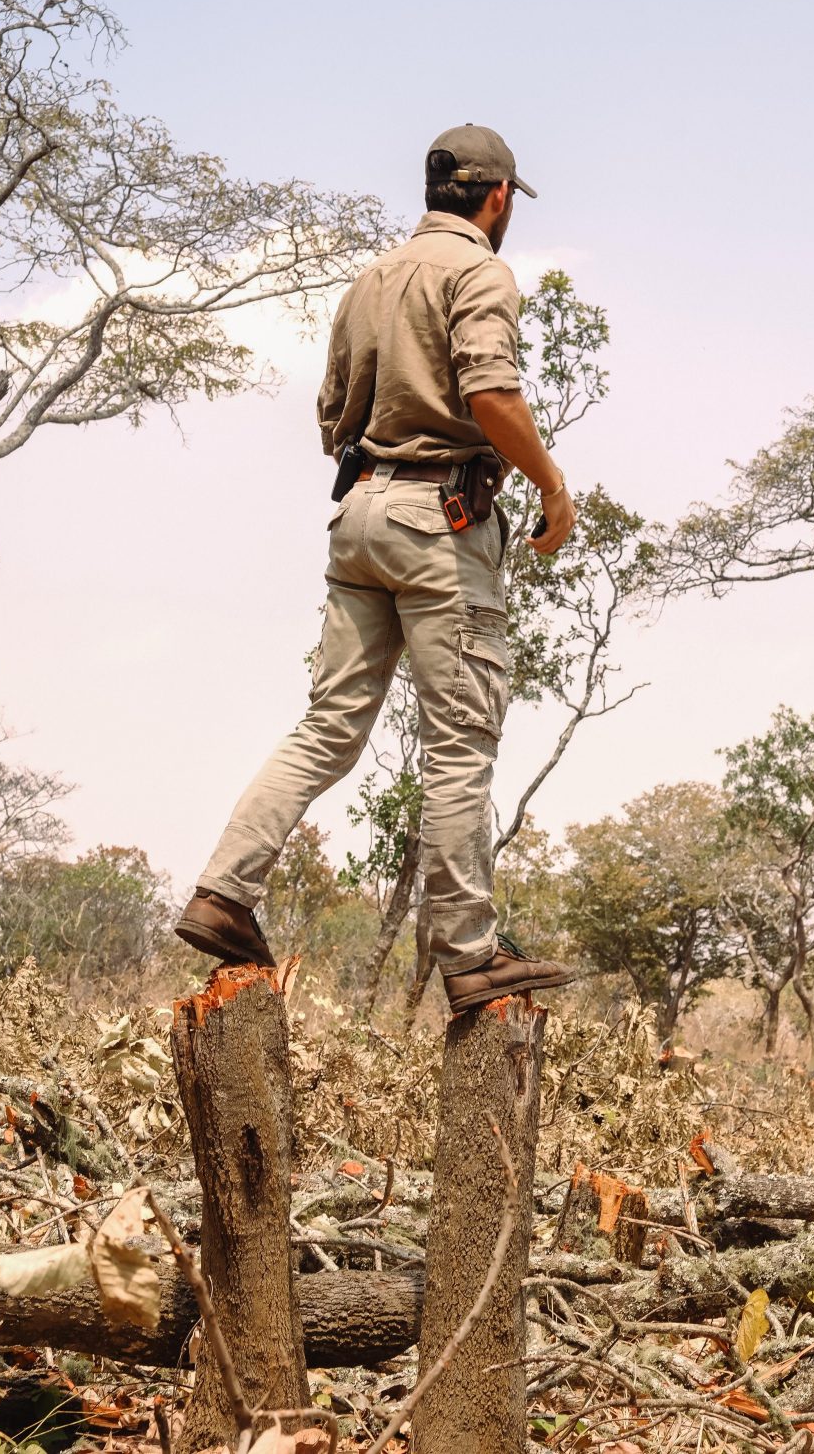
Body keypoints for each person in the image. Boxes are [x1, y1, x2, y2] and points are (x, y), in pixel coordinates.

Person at [175, 124, 577, 1014]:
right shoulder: (482, 272)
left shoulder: (372, 279)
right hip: (440, 519)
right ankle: (470, 954)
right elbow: (490, 394)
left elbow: (331, 416)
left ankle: (222, 892)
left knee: (328, 727)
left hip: (358, 515)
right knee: (459, 743)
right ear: (498, 198)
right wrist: (551, 485)